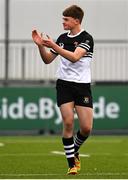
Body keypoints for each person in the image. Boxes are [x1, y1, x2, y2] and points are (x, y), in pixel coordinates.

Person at [32, 4, 94, 175]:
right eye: (63, 19)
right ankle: (71, 165)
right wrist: (40, 46)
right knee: (68, 122)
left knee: (86, 128)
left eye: (66, 20)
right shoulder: (61, 38)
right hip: (64, 84)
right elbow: (47, 60)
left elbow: (75, 57)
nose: (63, 22)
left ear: (76, 20)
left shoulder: (87, 38)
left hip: (82, 86)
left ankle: (75, 149)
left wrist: (54, 45)